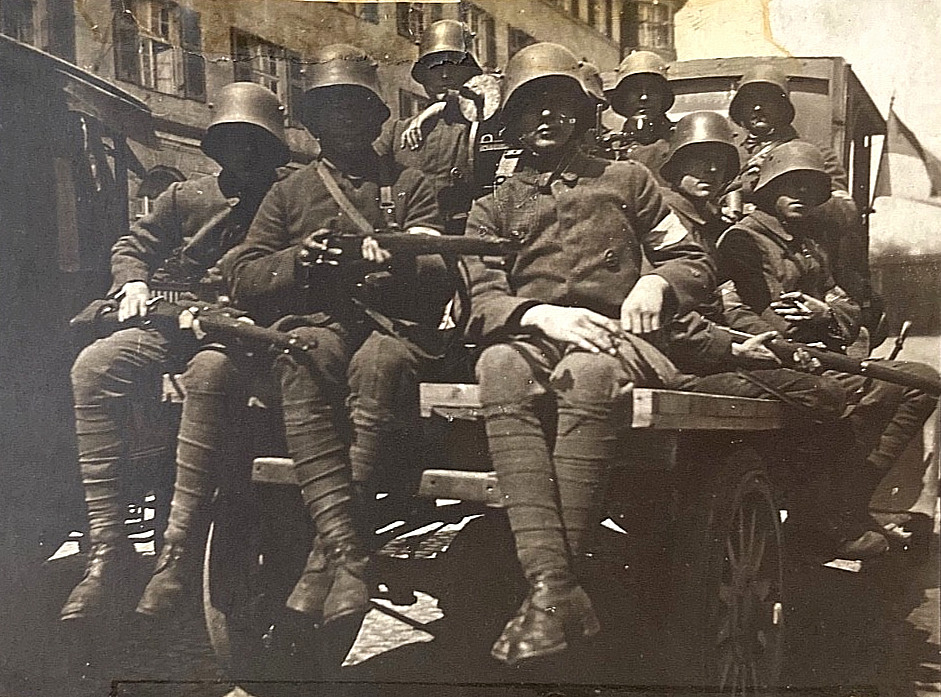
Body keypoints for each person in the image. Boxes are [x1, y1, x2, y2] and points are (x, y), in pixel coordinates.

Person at [136, 45, 448, 627]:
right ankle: (350, 555)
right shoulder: (289, 192)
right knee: (301, 355)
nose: (344, 123)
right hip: (322, 326)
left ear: (377, 119)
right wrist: (300, 262)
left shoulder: (409, 185)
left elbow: (442, 272)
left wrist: (401, 254)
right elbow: (245, 273)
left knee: (380, 366)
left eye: (355, 110)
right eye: (329, 113)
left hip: (391, 329)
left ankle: (328, 558)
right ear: (314, 124)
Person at [463, 42, 716, 666]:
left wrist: (656, 282)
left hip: (622, 342)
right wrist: (539, 313)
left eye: (560, 105)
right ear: (512, 123)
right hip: (534, 334)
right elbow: (481, 291)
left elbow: (692, 258)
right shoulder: (492, 204)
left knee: (588, 373)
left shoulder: (627, 180)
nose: (547, 118)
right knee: (495, 364)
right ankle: (557, 588)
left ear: (582, 114)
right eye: (530, 107)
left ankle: (549, 597)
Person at [61, 82, 290, 622]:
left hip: (251, 330)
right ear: (214, 147)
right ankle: (109, 552)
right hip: (176, 322)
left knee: (211, 373)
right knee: (93, 368)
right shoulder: (187, 196)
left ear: (273, 146)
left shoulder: (294, 195)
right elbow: (133, 245)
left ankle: (177, 557)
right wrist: (134, 282)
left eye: (254, 142)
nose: (242, 154)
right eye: (230, 142)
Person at [716, 140, 939, 557]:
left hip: (822, 355)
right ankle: (821, 518)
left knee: (922, 381)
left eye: (809, 187)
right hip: (778, 359)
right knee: (859, 393)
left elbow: (845, 301)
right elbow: (736, 309)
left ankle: (844, 505)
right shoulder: (741, 241)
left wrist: (824, 314)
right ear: (765, 190)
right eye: (789, 185)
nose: (800, 195)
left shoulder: (809, 244)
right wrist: (790, 338)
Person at [726, 63, 871, 317]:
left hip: (800, 261)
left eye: (767, 100)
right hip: (737, 258)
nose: (757, 108)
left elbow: (845, 211)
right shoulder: (727, 155)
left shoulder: (814, 154)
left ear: (783, 107)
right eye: (750, 101)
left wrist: (781, 182)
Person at [375, 19, 484, 234]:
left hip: (466, 235)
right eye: (435, 68)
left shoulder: (482, 124)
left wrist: (441, 106)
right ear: (423, 76)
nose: (444, 75)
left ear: (470, 72)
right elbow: (365, 169)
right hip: (410, 235)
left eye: (453, 65)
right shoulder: (398, 131)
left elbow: (498, 88)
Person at [600, 50, 675, 181]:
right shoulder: (609, 146)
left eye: (652, 90)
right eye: (634, 90)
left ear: (663, 97)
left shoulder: (678, 141)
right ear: (623, 98)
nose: (644, 97)